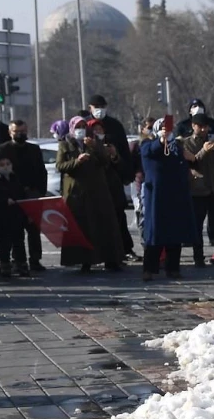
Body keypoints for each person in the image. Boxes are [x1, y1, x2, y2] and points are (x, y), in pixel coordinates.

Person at [56, 116, 124, 272]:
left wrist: (94, 147)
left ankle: (111, 259)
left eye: (83, 126)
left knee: (104, 225)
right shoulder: (65, 145)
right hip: (77, 191)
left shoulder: (94, 142)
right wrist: (76, 161)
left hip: (98, 190)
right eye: (77, 126)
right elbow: (60, 165)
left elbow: (105, 161)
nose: (81, 129)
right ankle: (85, 261)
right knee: (83, 226)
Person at [139, 118, 198, 280]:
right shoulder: (147, 144)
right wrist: (161, 140)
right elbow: (150, 151)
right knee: (154, 235)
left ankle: (173, 268)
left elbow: (188, 161)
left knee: (175, 233)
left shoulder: (177, 147)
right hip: (157, 196)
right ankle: (149, 269)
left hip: (176, 194)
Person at [87, 94, 139, 262]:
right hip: (93, 179)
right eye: (96, 107)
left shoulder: (115, 126)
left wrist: (125, 171)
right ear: (90, 108)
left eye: (102, 106)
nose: (99, 110)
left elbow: (124, 150)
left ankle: (125, 248)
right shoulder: (85, 124)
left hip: (113, 177)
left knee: (118, 215)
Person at [183, 114, 214, 266]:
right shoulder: (186, 143)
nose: (203, 129)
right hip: (198, 189)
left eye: (206, 126)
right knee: (197, 226)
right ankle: (198, 257)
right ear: (193, 126)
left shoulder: (213, 141)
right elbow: (192, 163)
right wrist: (203, 151)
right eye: (200, 126)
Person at [5, 120, 47, 271]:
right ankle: (19, 260)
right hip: (13, 195)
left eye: (23, 131)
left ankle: (35, 260)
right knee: (16, 230)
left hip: (32, 194)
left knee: (34, 229)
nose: (20, 134)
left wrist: (41, 192)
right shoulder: (3, 150)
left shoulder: (34, 149)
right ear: (10, 132)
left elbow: (42, 172)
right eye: (17, 131)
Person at [0, 144, 33, 277]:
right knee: (4, 244)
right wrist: (4, 201)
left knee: (19, 242)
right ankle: (5, 265)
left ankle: (21, 264)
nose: (5, 167)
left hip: (16, 216)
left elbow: (21, 194)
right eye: (1, 164)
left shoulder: (14, 178)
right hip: (1, 218)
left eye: (7, 164)